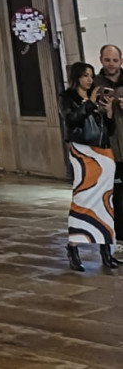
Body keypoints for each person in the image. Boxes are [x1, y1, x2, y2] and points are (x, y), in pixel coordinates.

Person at [58, 62, 118, 271]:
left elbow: (109, 129)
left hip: (104, 152)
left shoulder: (96, 97)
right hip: (83, 152)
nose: (90, 80)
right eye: (85, 76)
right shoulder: (68, 98)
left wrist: (108, 111)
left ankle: (106, 251)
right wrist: (90, 104)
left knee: (105, 202)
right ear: (76, 77)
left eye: (91, 76)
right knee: (83, 198)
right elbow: (72, 120)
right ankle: (73, 246)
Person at [95, 44, 123, 250]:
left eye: (115, 60)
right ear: (101, 60)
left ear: (121, 61)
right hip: (109, 151)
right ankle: (120, 242)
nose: (111, 64)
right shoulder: (94, 85)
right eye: (107, 60)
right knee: (117, 199)